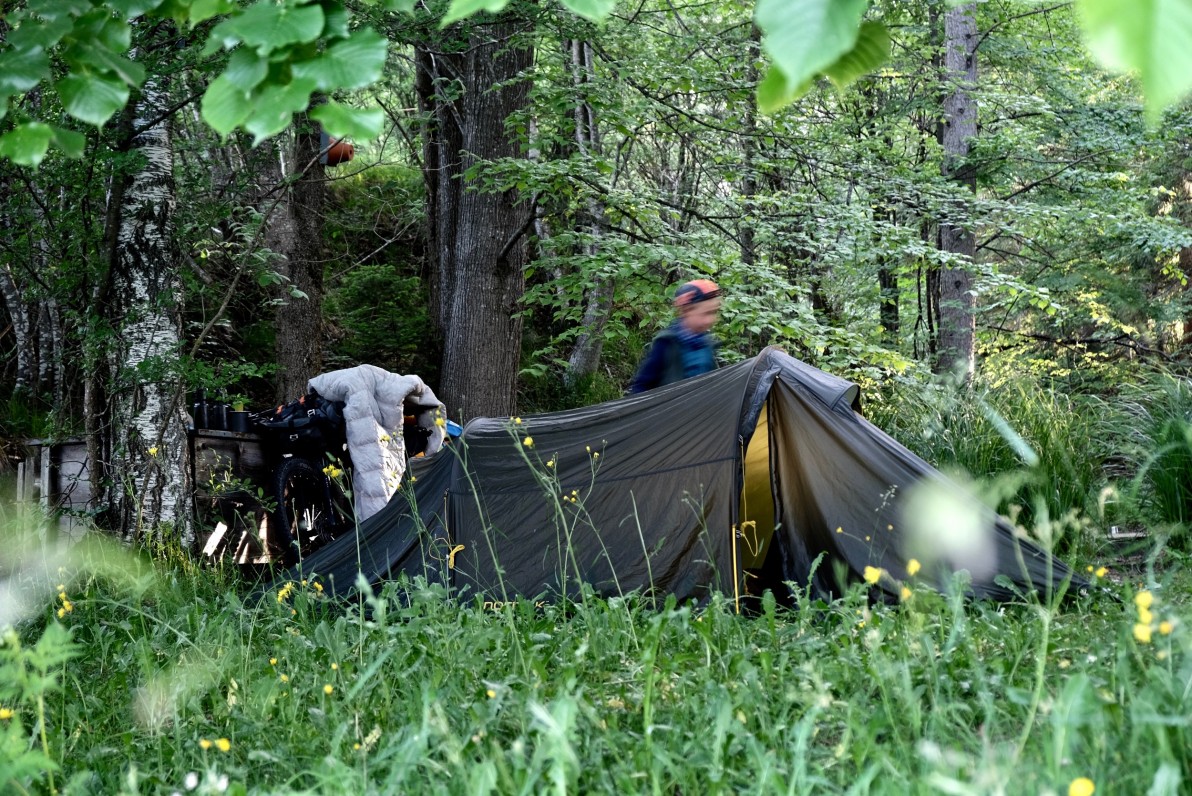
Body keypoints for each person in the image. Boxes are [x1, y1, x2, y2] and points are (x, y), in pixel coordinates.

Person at [628, 279, 722, 393]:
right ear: (686, 311)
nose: (711, 319)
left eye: (714, 312)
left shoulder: (707, 344)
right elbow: (642, 384)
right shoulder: (666, 343)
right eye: (706, 313)